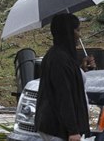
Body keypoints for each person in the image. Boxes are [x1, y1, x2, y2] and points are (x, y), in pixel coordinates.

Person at [35, 13, 90, 141]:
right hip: (57, 128)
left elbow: (70, 81)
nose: (79, 35)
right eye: (77, 30)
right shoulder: (59, 59)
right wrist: (73, 131)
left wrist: (82, 69)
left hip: (59, 127)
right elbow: (63, 95)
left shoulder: (62, 55)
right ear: (68, 32)